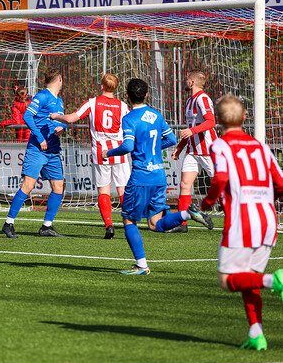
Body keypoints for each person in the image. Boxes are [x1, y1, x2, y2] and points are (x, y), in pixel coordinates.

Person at [103, 78, 212, 275]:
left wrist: (108, 153)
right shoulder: (156, 114)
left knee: (129, 219)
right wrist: (152, 149)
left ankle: (141, 265)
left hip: (141, 177)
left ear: (127, 96)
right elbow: (170, 139)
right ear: (146, 95)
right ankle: (188, 214)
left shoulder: (129, 118)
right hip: (159, 176)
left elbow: (128, 146)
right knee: (155, 224)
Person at [200, 94, 283, 351]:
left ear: (219, 121)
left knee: (227, 280)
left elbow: (221, 178)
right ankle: (256, 334)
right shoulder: (261, 147)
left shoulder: (220, 145)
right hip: (268, 221)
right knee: (250, 279)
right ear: (245, 117)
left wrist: (208, 201)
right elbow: (280, 184)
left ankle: (276, 281)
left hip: (241, 222)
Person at [50, 73, 130, 239]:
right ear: (116, 88)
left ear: (102, 86)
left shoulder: (93, 103)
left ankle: (109, 225)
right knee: (123, 190)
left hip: (101, 153)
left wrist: (57, 116)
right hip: (120, 152)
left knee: (103, 190)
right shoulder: (122, 106)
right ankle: (129, 224)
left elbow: (72, 118)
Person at [3, 68, 66, 238]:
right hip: (38, 148)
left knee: (58, 187)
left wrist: (62, 128)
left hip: (53, 150)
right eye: (62, 79)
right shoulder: (42, 96)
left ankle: (47, 226)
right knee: (28, 185)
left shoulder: (59, 101)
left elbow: (63, 120)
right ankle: (9, 223)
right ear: (59, 79)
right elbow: (27, 117)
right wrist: (40, 138)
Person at [170, 71, 217, 233]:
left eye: (187, 80)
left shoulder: (203, 98)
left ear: (192, 82)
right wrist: (180, 147)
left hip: (207, 149)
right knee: (184, 184)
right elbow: (190, 129)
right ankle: (182, 223)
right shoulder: (190, 101)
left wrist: (192, 131)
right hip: (192, 150)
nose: (185, 82)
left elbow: (211, 122)